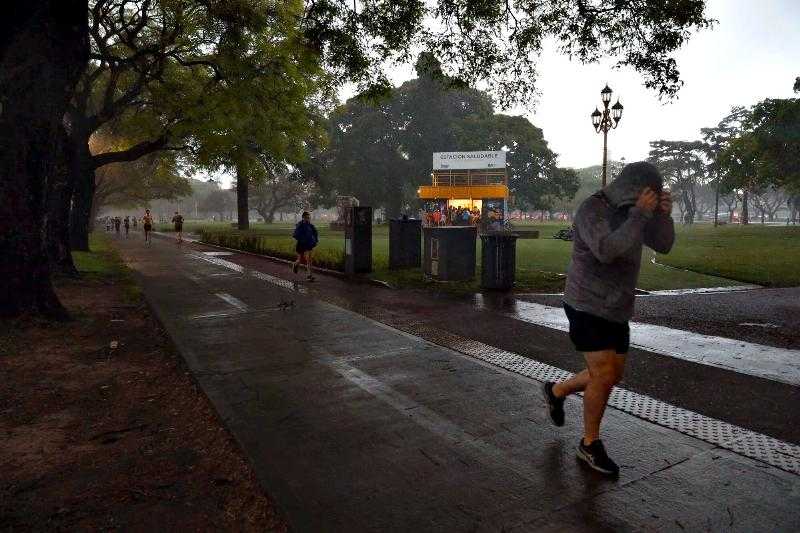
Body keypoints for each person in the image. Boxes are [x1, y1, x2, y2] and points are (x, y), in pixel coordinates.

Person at [542, 161, 674, 477]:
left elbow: (664, 244)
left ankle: (556, 392)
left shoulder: (637, 211)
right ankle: (590, 444)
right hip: (586, 302)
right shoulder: (592, 209)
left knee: (611, 375)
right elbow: (605, 249)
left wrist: (663, 216)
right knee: (602, 375)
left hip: (617, 305)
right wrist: (641, 214)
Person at [292, 211, 318, 281]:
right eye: (307, 218)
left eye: (309, 218)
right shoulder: (300, 225)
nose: (308, 219)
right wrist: (302, 239)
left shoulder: (310, 225)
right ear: (303, 217)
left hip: (309, 245)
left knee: (309, 259)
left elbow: (315, 233)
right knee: (300, 260)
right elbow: (295, 235)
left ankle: (309, 276)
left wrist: (315, 240)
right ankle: (295, 264)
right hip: (301, 244)